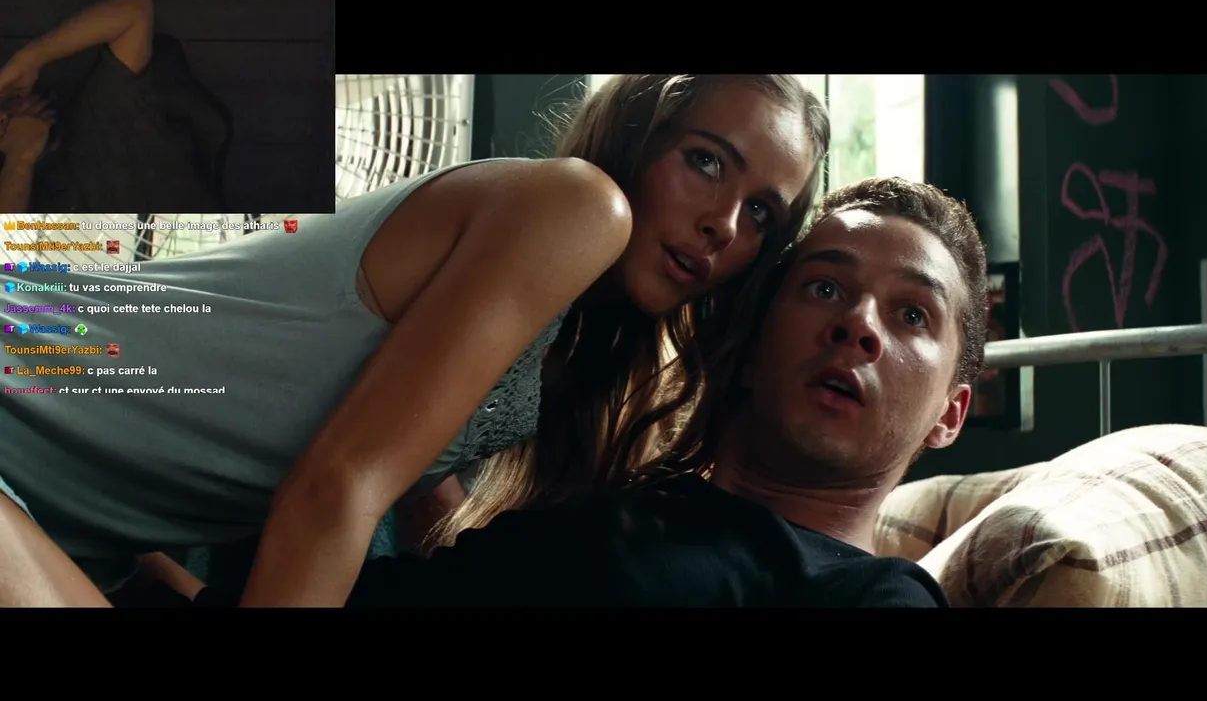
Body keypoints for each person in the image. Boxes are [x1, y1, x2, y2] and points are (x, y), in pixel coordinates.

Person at [0, 74, 830, 607]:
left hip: (77, 520)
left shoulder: (567, 347)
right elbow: (337, 489)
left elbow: (390, 488)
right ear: (638, 138)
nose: (724, 223)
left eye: (762, 212)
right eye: (705, 162)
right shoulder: (578, 206)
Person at [164, 175, 986, 607]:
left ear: (950, 414)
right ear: (747, 355)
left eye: (912, 314)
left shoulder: (870, 593)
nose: (858, 325)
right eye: (824, 288)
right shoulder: (614, 504)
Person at [0, 0, 221, 213]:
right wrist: (20, 160)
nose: (4, 116)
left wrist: (29, 59)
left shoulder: (97, 117)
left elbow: (136, 10)